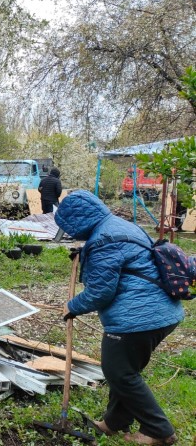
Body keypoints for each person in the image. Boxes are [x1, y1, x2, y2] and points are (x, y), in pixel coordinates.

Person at [55, 190, 183, 446]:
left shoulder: (104, 240)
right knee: (123, 371)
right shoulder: (117, 226)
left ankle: (159, 431)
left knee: (120, 373)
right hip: (161, 311)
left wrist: (72, 306)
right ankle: (114, 422)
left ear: (77, 221)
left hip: (138, 318)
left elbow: (101, 292)